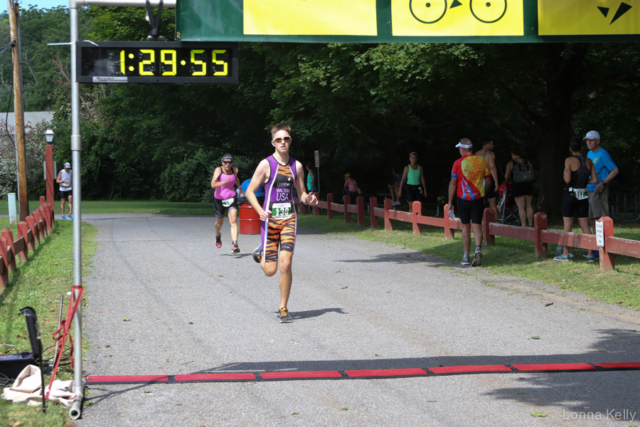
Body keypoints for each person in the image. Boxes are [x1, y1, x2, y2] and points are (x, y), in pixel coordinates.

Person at [246, 124, 318, 323]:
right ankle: (260, 254)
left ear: (290, 141)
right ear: (273, 143)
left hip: (289, 220)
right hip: (269, 221)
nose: (283, 142)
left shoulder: (297, 166)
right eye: (279, 140)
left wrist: (308, 199)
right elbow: (249, 191)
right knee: (270, 271)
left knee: (285, 264)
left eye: (286, 139)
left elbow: (301, 192)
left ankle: (283, 307)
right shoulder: (266, 165)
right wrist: (260, 211)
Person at [447, 139, 491, 267]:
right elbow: (488, 181)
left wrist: (450, 201)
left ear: (462, 149)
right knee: (477, 225)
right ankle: (478, 248)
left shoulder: (457, 163)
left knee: (465, 226)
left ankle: (466, 256)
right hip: (478, 198)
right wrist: (483, 194)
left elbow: (453, 183)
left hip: (463, 198)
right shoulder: (482, 161)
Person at [554, 137, 598, 262]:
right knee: (585, 226)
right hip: (583, 194)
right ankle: (590, 255)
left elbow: (567, 180)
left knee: (568, 225)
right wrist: (583, 183)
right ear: (582, 147)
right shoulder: (589, 161)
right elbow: (594, 180)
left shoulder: (569, 160)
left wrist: (565, 173)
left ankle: (565, 254)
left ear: (570, 149)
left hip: (570, 194)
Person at [211, 154, 244, 253]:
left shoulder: (235, 170)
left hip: (231, 198)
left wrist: (240, 188)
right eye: (225, 162)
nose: (227, 164)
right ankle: (218, 235)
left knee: (233, 220)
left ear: (232, 163)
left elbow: (236, 178)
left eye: (229, 162)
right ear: (222, 162)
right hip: (219, 200)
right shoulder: (218, 170)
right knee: (219, 224)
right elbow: (213, 184)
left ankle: (234, 244)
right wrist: (223, 182)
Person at [585, 130, 618, 224]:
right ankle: (596, 238)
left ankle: (604, 238)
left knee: (600, 218)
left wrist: (603, 183)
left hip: (599, 190)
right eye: (587, 140)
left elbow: (615, 170)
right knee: (591, 219)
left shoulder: (603, 154)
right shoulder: (589, 153)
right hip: (590, 189)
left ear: (598, 141)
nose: (589, 142)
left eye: (591, 140)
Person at [504, 146, 534, 227]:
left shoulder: (511, 163)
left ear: (512, 154)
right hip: (528, 185)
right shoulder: (527, 162)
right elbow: (532, 173)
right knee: (529, 205)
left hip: (517, 185)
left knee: (521, 207)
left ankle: (524, 225)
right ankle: (530, 224)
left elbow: (506, 176)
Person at [475, 139, 500, 221]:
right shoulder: (490, 154)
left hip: (478, 180)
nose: (493, 146)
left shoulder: (476, 154)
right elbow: (492, 167)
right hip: (488, 178)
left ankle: (479, 221)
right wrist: (496, 182)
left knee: (480, 202)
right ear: (486, 144)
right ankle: (495, 223)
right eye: (492, 144)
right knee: (492, 203)